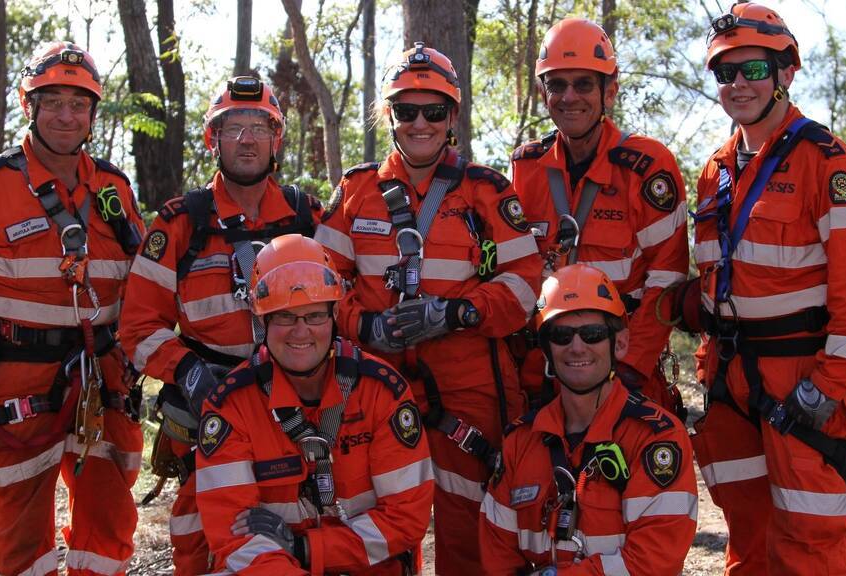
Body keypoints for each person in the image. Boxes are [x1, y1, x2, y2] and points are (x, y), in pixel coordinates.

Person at [314, 42, 543, 573]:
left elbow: (526, 284)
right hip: (373, 378)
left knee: (466, 521)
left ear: (452, 117)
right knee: (377, 514)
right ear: (390, 116)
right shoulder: (356, 190)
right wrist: (364, 324)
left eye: (433, 110)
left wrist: (457, 312)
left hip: (466, 382)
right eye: (406, 110)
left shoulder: (486, 191)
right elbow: (321, 283)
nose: (420, 122)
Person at [0, 41, 144, 575]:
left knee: (110, 522)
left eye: (78, 102)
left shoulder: (114, 189)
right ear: (30, 107)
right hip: (18, 379)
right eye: (53, 102)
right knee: (21, 530)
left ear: (93, 113)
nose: (66, 115)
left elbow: (144, 288)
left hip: (105, 380)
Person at [689, 3, 846, 574]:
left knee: (811, 539)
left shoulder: (827, 163)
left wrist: (828, 386)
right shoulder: (716, 170)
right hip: (730, 381)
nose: (737, 84)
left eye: (752, 69)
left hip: (801, 382)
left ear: (785, 72)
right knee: (748, 534)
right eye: (724, 73)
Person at [119, 75, 322, 574]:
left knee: (302, 523)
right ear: (213, 140)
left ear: (277, 140)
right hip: (209, 404)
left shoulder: (307, 216)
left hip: (296, 404)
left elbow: (345, 308)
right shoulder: (179, 224)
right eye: (233, 128)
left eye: (259, 126)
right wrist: (189, 373)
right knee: (199, 527)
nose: (247, 139)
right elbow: (137, 327)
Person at [193, 234, 434, 574]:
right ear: (262, 319)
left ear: (335, 313)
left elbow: (406, 517)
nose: (300, 332)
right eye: (285, 317)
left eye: (314, 316)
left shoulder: (382, 392)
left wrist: (306, 549)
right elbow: (233, 537)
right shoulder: (230, 407)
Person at [511, 17, 690, 416]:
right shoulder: (527, 167)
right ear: (543, 95)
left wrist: (627, 371)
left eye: (584, 84)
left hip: (622, 372)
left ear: (610, 91)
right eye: (557, 84)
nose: (569, 96)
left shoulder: (646, 166)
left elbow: (667, 281)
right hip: (543, 373)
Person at [479, 264, 697, 575]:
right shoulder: (520, 442)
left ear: (619, 344)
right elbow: (497, 555)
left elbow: (653, 561)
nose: (577, 346)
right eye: (561, 335)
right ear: (546, 349)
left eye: (592, 334)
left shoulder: (656, 439)